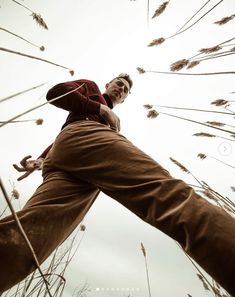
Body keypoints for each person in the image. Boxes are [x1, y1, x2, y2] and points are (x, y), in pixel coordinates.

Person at [0, 74, 235, 295]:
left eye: (125, 89)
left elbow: (66, 139)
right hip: (81, 139)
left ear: (124, 98)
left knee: (34, 231)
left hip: (67, 158)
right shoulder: (92, 91)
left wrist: (41, 160)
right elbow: (56, 93)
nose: (121, 88)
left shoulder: (102, 118)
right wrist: (99, 107)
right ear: (107, 85)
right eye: (118, 83)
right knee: (167, 195)